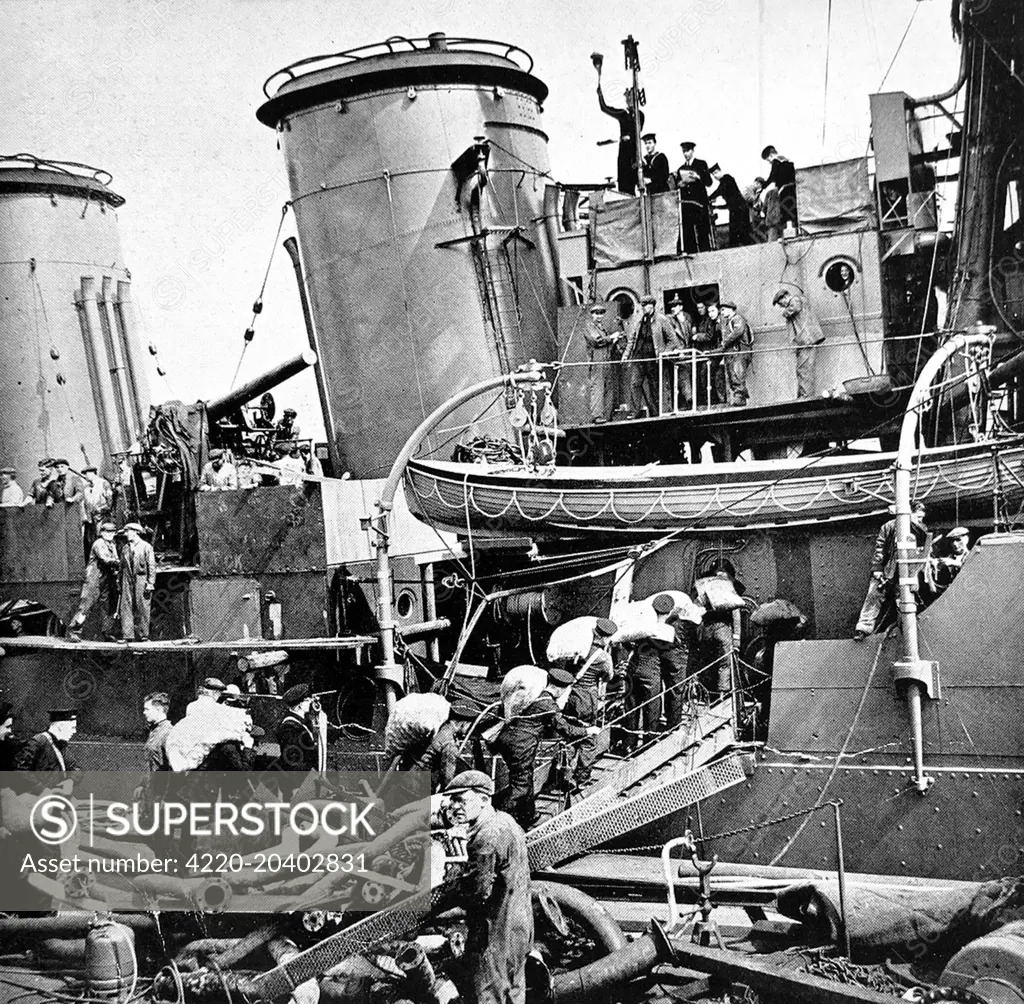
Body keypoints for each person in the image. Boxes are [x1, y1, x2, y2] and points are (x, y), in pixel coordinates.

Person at [443, 770, 532, 1004]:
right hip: (519, 927)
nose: (455, 806)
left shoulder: (486, 837)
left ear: (484, 800)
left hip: (495, 934)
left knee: (488, 994)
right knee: (513, 993)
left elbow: (478, 892)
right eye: (452, 800)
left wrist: (447, 889)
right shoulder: (506, 821)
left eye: (462, 799)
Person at [491, 667, 599, 828]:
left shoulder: (535, 696)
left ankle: (528, 815)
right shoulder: (548, 704)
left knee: (526, 778)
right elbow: (566, 730)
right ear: (558, 688)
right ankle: (495, 821)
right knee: (520, 785)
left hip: (509, 739)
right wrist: (588, 731)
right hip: (521, 746)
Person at [853, 502, 929, 639]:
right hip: (889, 568)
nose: (920, 520)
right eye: (918, 517)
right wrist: (877, 569)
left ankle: (906, 629)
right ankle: (863, 628)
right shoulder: (888, 527)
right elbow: (880, 548)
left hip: (907, 571)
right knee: (874, 595)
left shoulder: (921, 530)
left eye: (922, 517)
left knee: (904, 599)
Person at [564, 617, 617, 788]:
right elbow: (609, 676)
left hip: (570, 695)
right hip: (586, 698)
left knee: (570, 734)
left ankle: (563, 775)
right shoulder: (603, 657)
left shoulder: (578, 648)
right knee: (588, 737)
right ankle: (582, 777)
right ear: (606, 637)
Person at [623, 295, 681, 418]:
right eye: (642, 305)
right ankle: (635, 411)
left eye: (645, 305)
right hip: (639, 358)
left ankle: (657, 412)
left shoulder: (661, 320)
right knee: (635, 384)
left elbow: (673, 340)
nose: (643, 308)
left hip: (654, 359)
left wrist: (663, 353)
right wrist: (626, 355)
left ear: (652, 305)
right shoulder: (639, 322)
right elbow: (632, 340)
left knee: (654, 386)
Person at [694, 561, 745, 699]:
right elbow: (736, 615)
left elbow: (697, 610)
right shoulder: (729, 590)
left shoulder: (706, 590)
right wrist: (736, 639)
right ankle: (723, 696)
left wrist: (698, 636)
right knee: (725, 665)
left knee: (708, 663)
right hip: (723, 630)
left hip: (706, 632)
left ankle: (705, 697)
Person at [68, 521, 120, 642]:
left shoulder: (112, 545)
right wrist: (121, 563)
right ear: (102, 533)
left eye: (112, 532)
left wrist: (117, 562)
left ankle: (106, 632)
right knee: (86, 605)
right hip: (94, 577)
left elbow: (115, 559)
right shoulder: (99, 543)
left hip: (105, 579)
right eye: (107, 532)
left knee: (106, 607)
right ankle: (74, 630)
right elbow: (105, 560)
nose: (109, 534)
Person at [773, 288, 825, 399]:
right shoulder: (799, 299)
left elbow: (793, 309)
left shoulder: (795, 300)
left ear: (785, 297)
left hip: (806, 340)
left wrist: (785, 312)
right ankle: (803, 394)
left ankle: (806, 396)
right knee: (802, 369)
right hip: (804, 340)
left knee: (804, 369)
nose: (781, 306)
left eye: (780, 303)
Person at [597, 84, 644, 195]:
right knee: (623, 187)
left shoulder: (639, 115)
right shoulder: (622, 114)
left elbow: (638, 132)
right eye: (627, 98)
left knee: (634, 186)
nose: (628, 101)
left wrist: (629, 137)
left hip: (634, 155)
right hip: (623, 155)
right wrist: (600, 96)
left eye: (631, 98)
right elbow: (605, 108)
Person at [15, 710, 79, 781]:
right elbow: (21, 771)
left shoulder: (63, 745)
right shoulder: (37, 742)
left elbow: (75, 768)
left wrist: (70, 781)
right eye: (72, 728)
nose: (74, 731)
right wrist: (42, 790)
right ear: (60, 726)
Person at [583, 303, 621, 423]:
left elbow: (606, 345)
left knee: (608, 387)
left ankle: (607, 415)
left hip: (606, 360)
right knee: (598, 387)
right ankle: (597, 416)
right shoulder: (589, 326)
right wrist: (611, 337)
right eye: (596, 313)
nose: (599, 316)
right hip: (597, 361)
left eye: (601, 313)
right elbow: (597, 341)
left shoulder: (602, 328)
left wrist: (614, 341)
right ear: (592, 315)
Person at [119, 523, 156, 642]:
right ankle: (127, 636)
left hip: (141, 579)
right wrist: (119, 583)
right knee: (126, 606)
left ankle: (143, 636)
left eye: (128, 532)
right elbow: (121, 567)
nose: (126, 534)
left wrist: (150, 583)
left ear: (135, 532)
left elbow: (151, 566)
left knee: (143, 607)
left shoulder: (146, 547)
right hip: (127, 579)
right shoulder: (125, 548)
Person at [675, 142, 713, 252]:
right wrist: (681, 183)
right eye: (684, 151)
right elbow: (678, 185)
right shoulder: (681, 169)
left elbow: (709, 182)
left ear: (693, 151)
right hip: (687, 203)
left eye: (687, 151)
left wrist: (698, 176)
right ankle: (692, 253)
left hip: (700, 202)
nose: (685, 154)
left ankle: (705, 252)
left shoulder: (701, 164)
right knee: (688, 230)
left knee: (702, 229)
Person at [276, 683, 318, 777]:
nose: (311, 702)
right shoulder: (289, 727)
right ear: (300, 705)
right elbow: (293, 762)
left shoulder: (302, 721)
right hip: (297, 781)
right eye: (307, 701)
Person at [718, 302, 754, 406]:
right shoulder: (729, 321)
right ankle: (740, 399)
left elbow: (738, 331)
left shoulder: (737, 319)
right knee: (733, 376)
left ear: (731, 309)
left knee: (737, 375)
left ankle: (740, 398)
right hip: (734, 353)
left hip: (739, 352)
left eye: (724, 309)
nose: (722, 312)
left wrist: (725, 341)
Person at [708, 164, 753, 247]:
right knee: (736, 233)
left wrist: (709, 198)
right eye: (713, 175)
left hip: (740, 209)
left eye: (716, 173)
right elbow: (728, 205)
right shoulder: (724, 185)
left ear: (720, 171)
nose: (715, 176)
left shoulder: (727, 178)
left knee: (741, 233)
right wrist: (716, 207)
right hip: (736, 210)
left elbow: (719, 190)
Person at [761, 146, 798, 233]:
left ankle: (789, 230)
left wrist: (763, 187)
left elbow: (772, 176)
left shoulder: (775, 162)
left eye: (767, 160)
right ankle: (794, 227)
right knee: (792, 207)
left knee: (785, 208)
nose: (769, 162)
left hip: (783, 189)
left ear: (771, 155)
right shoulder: (787, 161)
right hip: (792, 188)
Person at [81, 467, 114, 558]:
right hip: (90, 520)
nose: (86, 476)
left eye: (87, 473)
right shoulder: (86, 487)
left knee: (102, 540)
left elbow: (109, 502)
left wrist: (100, 510)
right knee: (89, 541)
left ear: (93, 473)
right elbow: (84, 503)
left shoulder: (104, 483)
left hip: (102, 518)